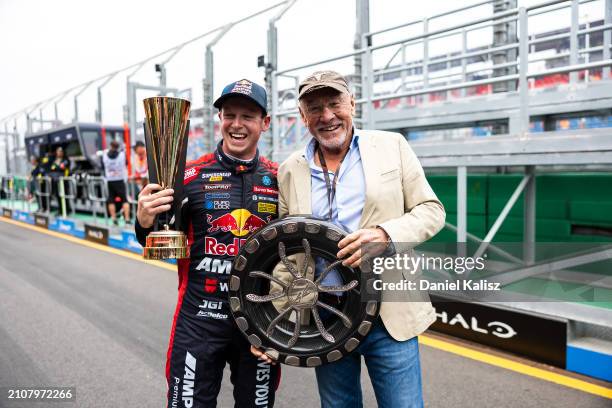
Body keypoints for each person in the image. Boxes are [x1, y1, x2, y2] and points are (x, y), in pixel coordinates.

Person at [251, 71, 445, 408]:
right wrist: (273, 328)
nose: (326, 116)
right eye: (314, 108)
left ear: (351, 103)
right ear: (302, 117)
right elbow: (287, 257)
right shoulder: (289, 170)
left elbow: (432, 211)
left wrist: (386, 235)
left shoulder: (392, 145)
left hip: (389, 316)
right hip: (326, 316)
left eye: (333, 103)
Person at [135, 79, 281, 408]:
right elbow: (155, 238)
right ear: (220, 120)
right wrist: (144, 219)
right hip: (198, 323)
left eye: (248, 116)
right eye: (229, 115)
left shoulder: (280, 179)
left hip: (259, 325)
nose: (237, 124)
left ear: (265, 123)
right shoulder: (186, 176)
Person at [102, 140, 131, 225]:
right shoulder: (122, 155)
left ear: (110, 146)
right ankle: (127, 219)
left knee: (111, 199)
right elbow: (126, 163)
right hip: (120, 179)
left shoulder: (105, 155)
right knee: (124, 200)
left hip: (110, 180)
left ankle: (114, 218)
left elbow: (101, 166)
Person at [48, 146, 71, 215]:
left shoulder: (66, 160)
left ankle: (66, 210)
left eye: (61, 151)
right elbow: (51, 169)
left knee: (64, 196)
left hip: (63, 181)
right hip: (55, 181)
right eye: (58, 151)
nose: (59, 153)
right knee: (58, 196)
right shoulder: (54, 160)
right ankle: (60, 210)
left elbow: (61, 167)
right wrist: (56, 167)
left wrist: (56, 167)